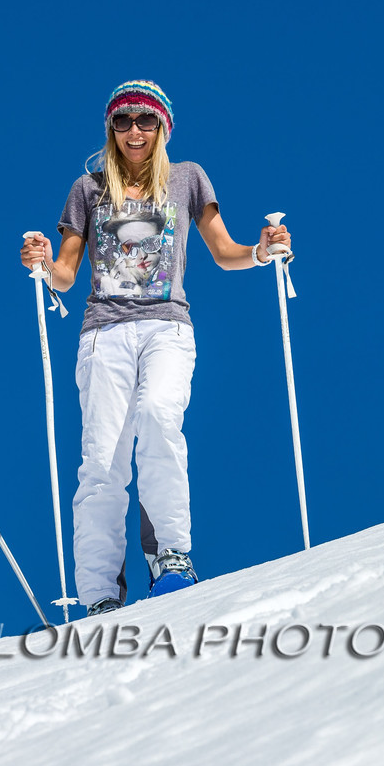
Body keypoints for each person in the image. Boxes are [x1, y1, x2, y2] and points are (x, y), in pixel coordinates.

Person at [19, 81, 290, 615]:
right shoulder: (88, 188)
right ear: (110, 130)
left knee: (160, 418)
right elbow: (67, 276)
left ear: (163, 126)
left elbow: (224, 250)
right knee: (102, 460)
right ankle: (98, 594)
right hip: (104, 332)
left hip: (167, 326)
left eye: (145, 121)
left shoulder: (187, 179)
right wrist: (42, 263)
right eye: (123, 122)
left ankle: (172, 556)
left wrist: (261, 252)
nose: (134, 132)